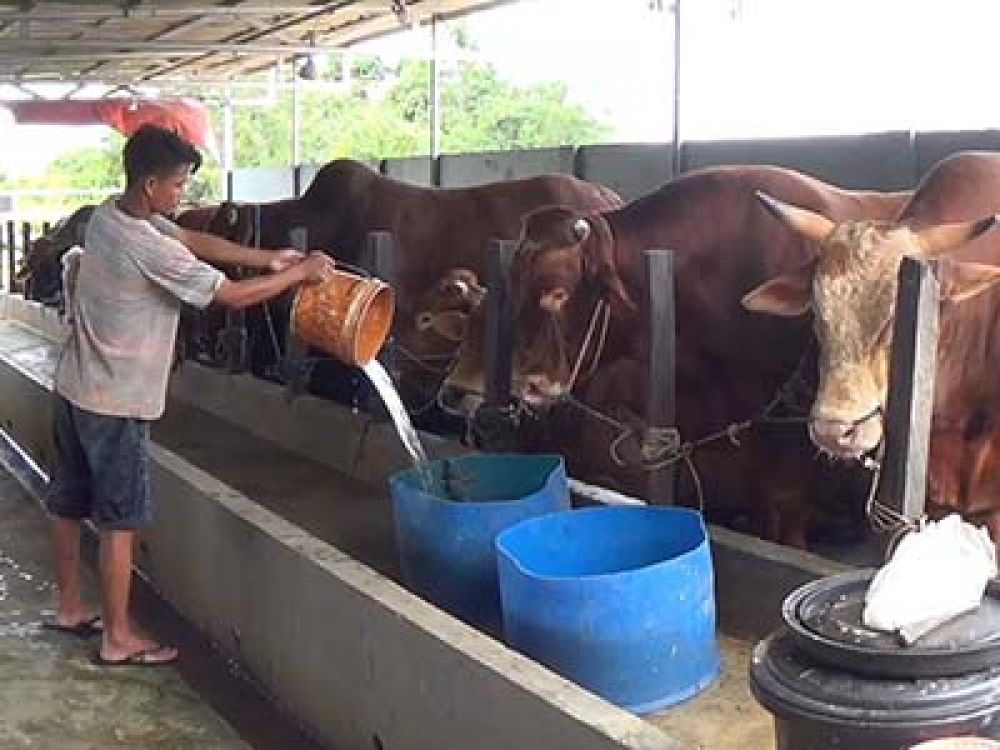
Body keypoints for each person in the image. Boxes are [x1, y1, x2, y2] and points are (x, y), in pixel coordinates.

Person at [44, 124, 336, 666]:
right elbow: (233, 297)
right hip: (117, 401)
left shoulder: (111, 216)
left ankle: (69, 607)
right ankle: (118, 637)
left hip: (74, 387)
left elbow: (189, 238)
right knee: (120, 519)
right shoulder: (144, 248)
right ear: (152, 183)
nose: (183, 196)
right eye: (179, 185)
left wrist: (268, 258)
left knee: (66, 500)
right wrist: (301, 276)